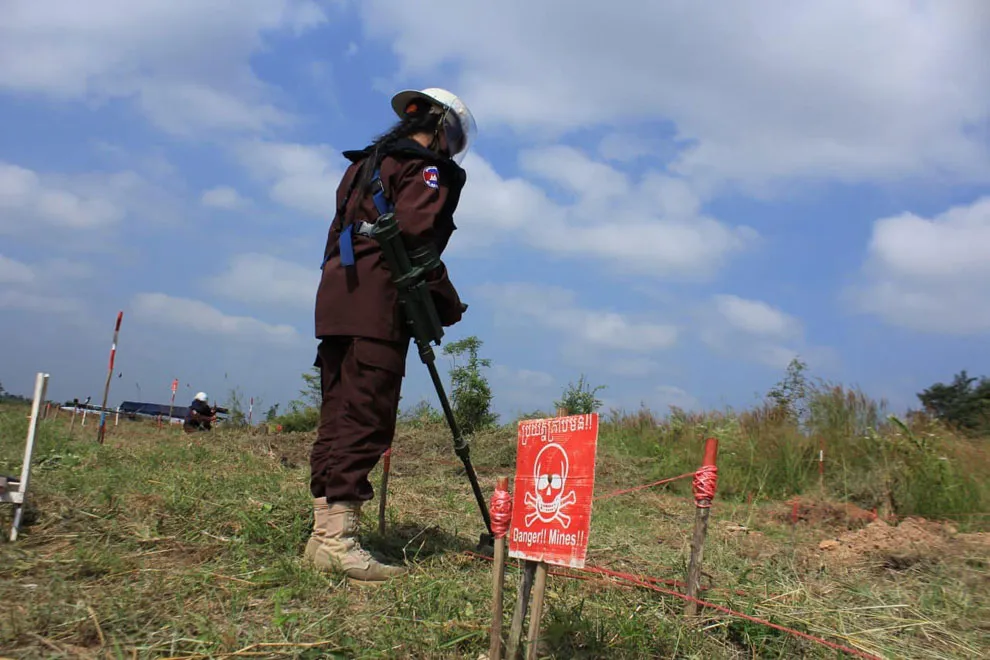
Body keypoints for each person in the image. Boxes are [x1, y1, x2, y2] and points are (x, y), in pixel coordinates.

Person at [305, 87, 476, 583]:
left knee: (338, 417)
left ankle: (323, 535)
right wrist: (445, 302)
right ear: (441, 128)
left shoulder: (364, 165)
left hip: (337, 297)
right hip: (376, 304)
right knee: (366, 417)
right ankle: (338, 541)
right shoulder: (425, 168)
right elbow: (416, 239)